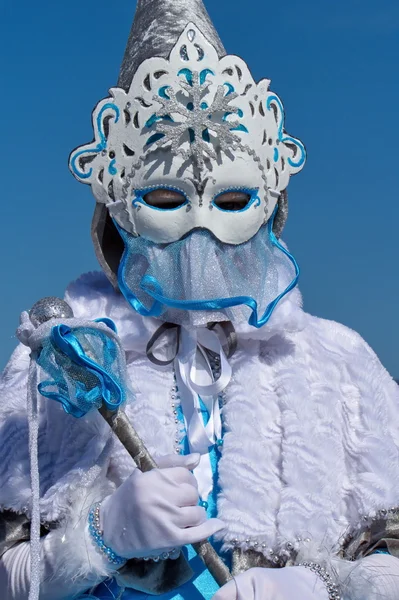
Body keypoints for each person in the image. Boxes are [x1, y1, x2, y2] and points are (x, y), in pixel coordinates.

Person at [1, 1, 399, 599]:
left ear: (269, 201)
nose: (200, 227)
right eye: (165, 197)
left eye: (232, 200)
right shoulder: (64, 359)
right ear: (118, 205)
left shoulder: (338, 365)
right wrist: (99, 537)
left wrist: (319, 587)